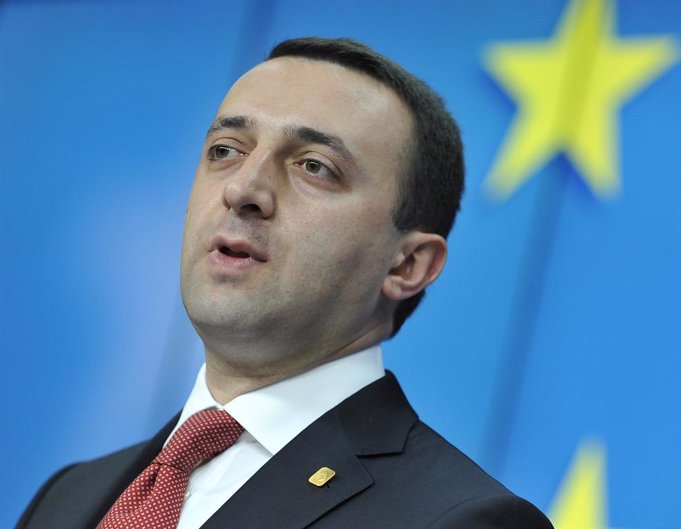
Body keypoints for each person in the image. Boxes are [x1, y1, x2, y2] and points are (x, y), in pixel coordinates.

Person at [17, 37, 553, 529]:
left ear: (406, 265)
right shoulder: (66, 499)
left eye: (315, 166)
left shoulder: (460, 520)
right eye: (226, 150)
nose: (243, 189)